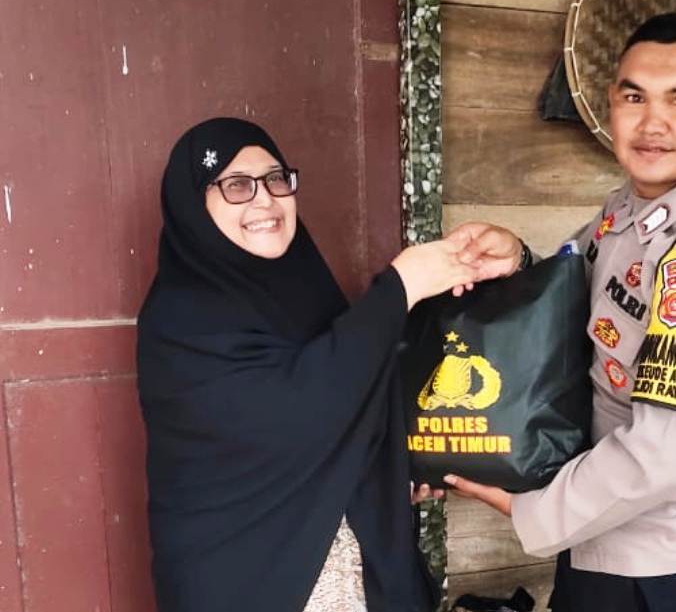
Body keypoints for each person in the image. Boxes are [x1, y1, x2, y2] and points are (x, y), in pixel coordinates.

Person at [444, 13, 676, 612]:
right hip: (601, 531)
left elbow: (659, 453)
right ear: (610, 105)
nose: (652, 124)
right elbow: (587, 292)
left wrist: (527, 508)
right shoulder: (631, 207)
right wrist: (520, 259)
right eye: (634, 97)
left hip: (662, 571)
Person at [137, 117, 473, 612]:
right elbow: (289, 417)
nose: (264, 200)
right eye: (236, 185)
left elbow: (351, 405)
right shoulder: (180, 321)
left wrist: (395, 471)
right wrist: (398, 289)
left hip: (356, 582)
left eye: (276, 179)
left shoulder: (308, 294)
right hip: (247, 582)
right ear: (195, 206)